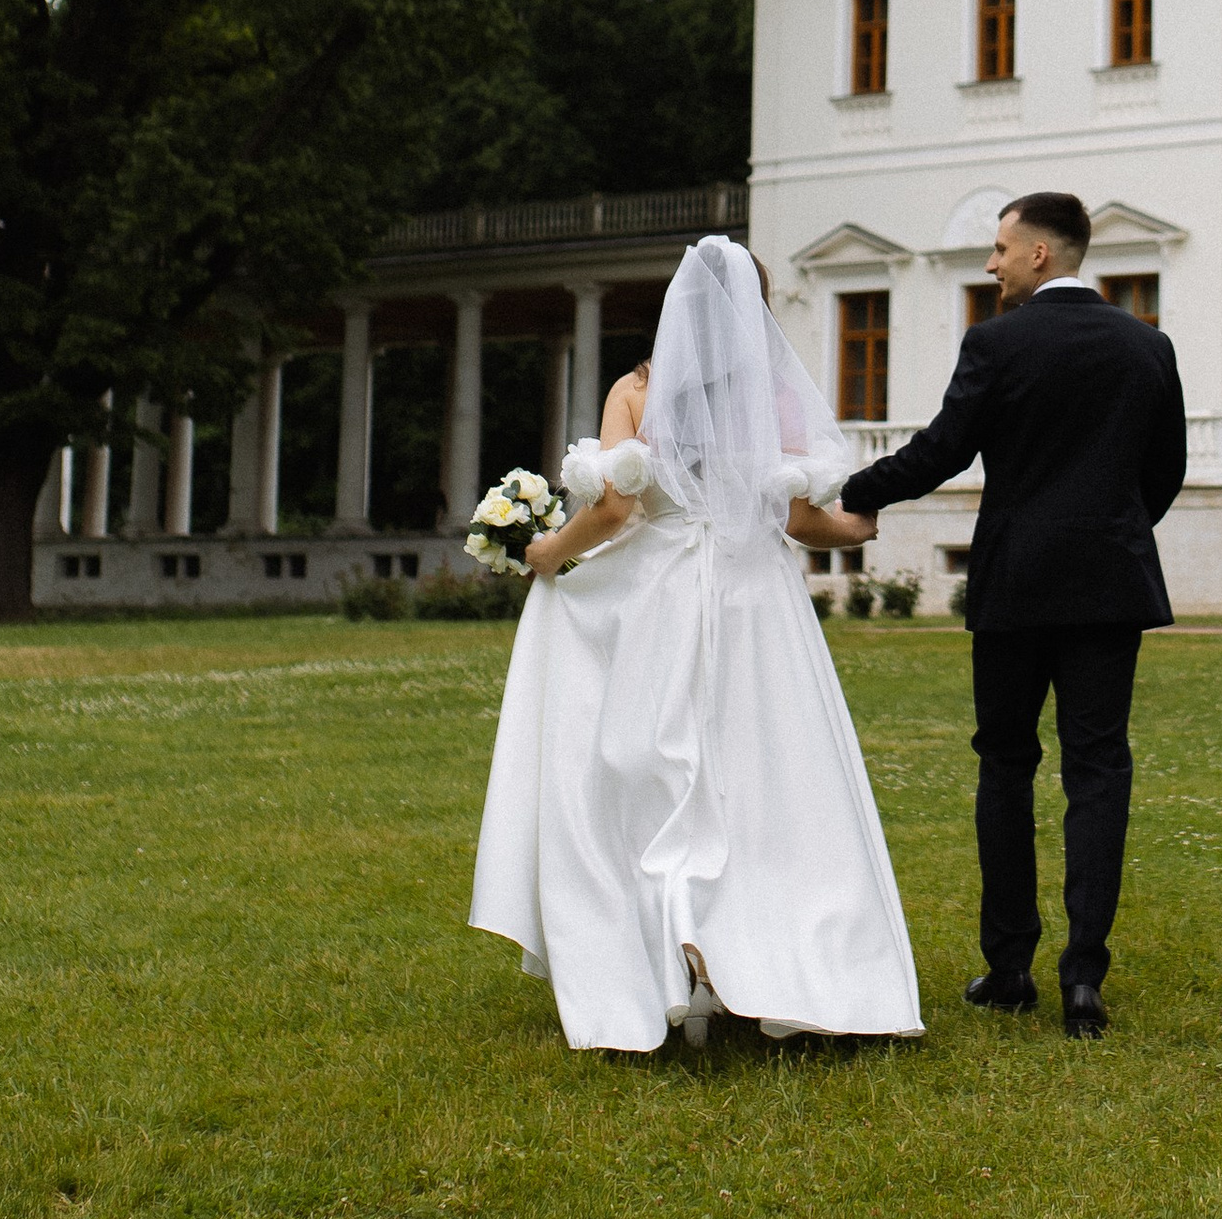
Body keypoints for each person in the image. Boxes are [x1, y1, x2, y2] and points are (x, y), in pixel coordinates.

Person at [468, 233, 918, 1055]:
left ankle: (663, 956)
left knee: (649, 768)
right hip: (755, 600)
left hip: (662, 597)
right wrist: (864, 519)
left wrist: (543, 553)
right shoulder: (771, 402)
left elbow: (614, 511)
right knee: (763, 775)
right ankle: (774, 960)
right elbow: (800, 520)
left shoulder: (637, 393)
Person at [835, 190, 1185, 1039]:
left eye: (998, 249)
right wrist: (1112, 530)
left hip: (1016, 586)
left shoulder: (996, 342)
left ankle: (1009, 967)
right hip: (1109, 585)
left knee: (1005, 763)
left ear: (1039, 255)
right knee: (1098, 769)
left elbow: (941, 451)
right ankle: (1085, 979)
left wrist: (850, 492)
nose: (990, 264)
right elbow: (1164, 471)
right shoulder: (1148, 345)